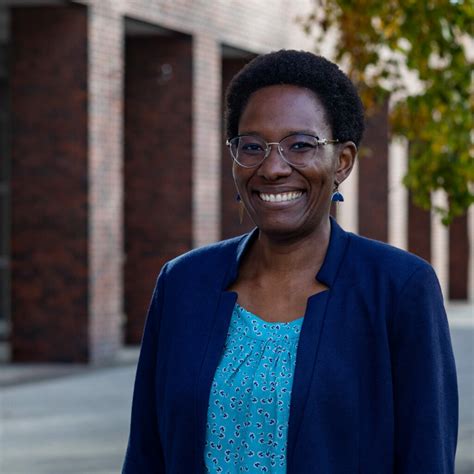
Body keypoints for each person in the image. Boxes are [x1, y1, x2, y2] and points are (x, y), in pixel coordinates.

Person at [122, 50, 458, 473]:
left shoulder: (399, 288)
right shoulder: (183, 284)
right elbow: (146, 454)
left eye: (300, 145)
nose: (273, 168)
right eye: (252, 146)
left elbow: (426, 457)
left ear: (342, 161)